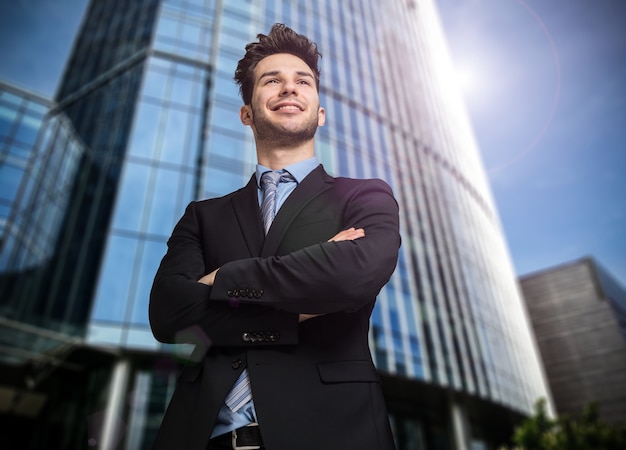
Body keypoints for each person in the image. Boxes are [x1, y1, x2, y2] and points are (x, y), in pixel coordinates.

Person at [149, 23, 401, 450]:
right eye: (272, 81)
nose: (289, 88)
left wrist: (221, 280)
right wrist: (307, 288)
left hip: (333, 433)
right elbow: (169, 314)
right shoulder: (203, 215)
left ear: (319, 112)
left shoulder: (364, 195)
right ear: (247, 112)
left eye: (302, 81)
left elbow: (352, 276)